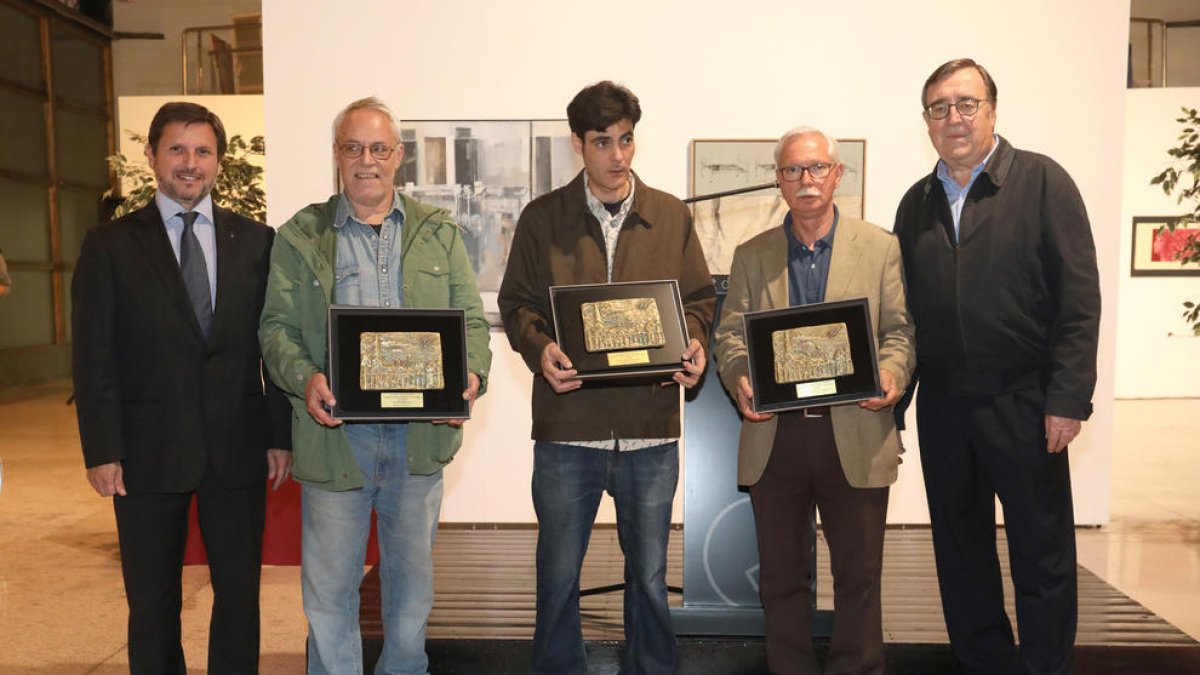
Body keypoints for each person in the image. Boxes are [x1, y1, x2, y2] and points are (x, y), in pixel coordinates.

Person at [258, 96, 492, 675]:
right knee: (330, 593)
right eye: (353, 147)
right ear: (337, 155)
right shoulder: (301, 234)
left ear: (399, 157)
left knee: (411, 596)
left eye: (378, 148)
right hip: (335, 438)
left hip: (418, 443)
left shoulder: (438, 233)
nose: (367, 160)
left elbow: (473, 321)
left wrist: (472, 374)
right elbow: (275, 328)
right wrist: (305, 378)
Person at [497, 80, 715, 675]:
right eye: (602, 142)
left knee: (648, 577)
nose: (617, 155)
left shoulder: (670, 214)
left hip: (650, 430)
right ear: (577, 144)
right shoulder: (543, 219)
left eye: (625, 140)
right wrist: (541, 350)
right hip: (569, 431)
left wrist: (694, 340)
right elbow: (517, 305)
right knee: (558, 575)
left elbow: (697, 300)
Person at [894, 58, 1101, 675]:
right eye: (939, 107)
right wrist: (896, 406)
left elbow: (1079, 299)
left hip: (1026, 403)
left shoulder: (1042, 182)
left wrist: (1068, 397)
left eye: (966, 104)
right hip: (945, 407)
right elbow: (901, 316)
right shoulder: (916, 202)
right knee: (961, 554)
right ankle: (986, 664)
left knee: (1042, 554)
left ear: (991, 110)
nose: (953, 118)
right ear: (926, 121)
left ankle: (1042, 667)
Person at [72, 101, 292, 674]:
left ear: (218, 161)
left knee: (240, 599)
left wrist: (279, 435)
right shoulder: (110, 245)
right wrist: (102, 448)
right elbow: (93, 355)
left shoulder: (258, 241)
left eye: (202, 151)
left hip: (238, 448)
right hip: (145, 451)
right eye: (177, 149)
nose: (189, 163)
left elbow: (274, 346)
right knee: (151, 604)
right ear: (151, 156)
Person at [714, 127, 915, 675]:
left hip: (856, 429)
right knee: (781, 580)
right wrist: (739, 377)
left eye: (817, 168)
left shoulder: (879, 248)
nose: (806, 181)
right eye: (793, 171)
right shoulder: (751, 256)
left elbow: (898, 331)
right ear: (778, 181)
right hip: (776, 438)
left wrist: (893, 374)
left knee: (860, 577)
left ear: (838, 174)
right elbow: (730, 336)